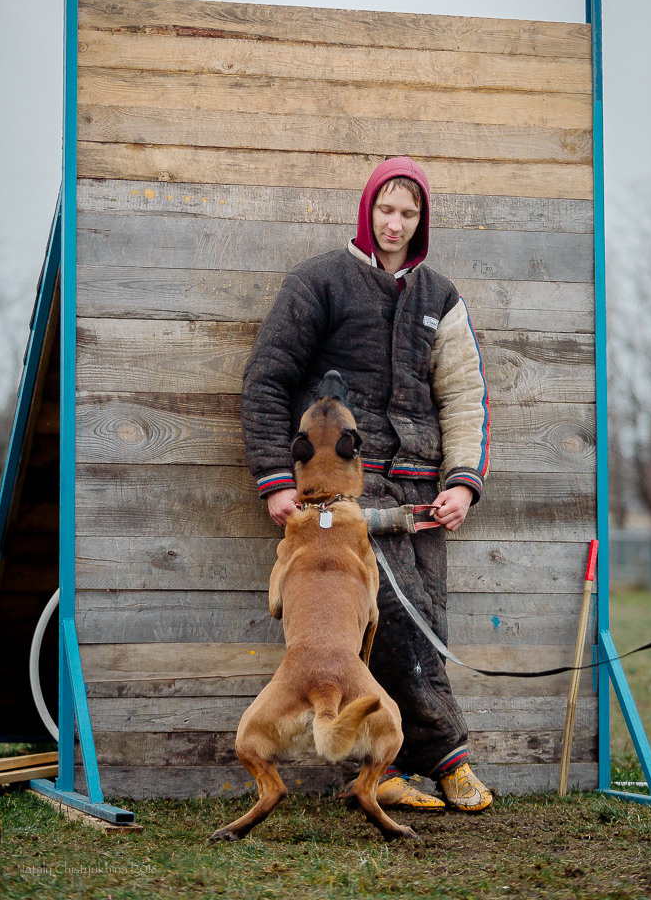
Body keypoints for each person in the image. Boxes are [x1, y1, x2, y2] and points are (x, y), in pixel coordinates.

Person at [241, 156, 492, 812]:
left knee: (423, 625)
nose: (394, 224)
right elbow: (266, 380)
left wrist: (461, 484)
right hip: (345, 498)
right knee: (392, 631)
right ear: (367, 210)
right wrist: (274, 479)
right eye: (386, 210)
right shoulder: (319, 282)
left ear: (421, 221)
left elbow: (463, 394)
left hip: (422, 498)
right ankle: (442, 761)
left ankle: (395, 767)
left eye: (408, 214)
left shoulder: (440, 298)